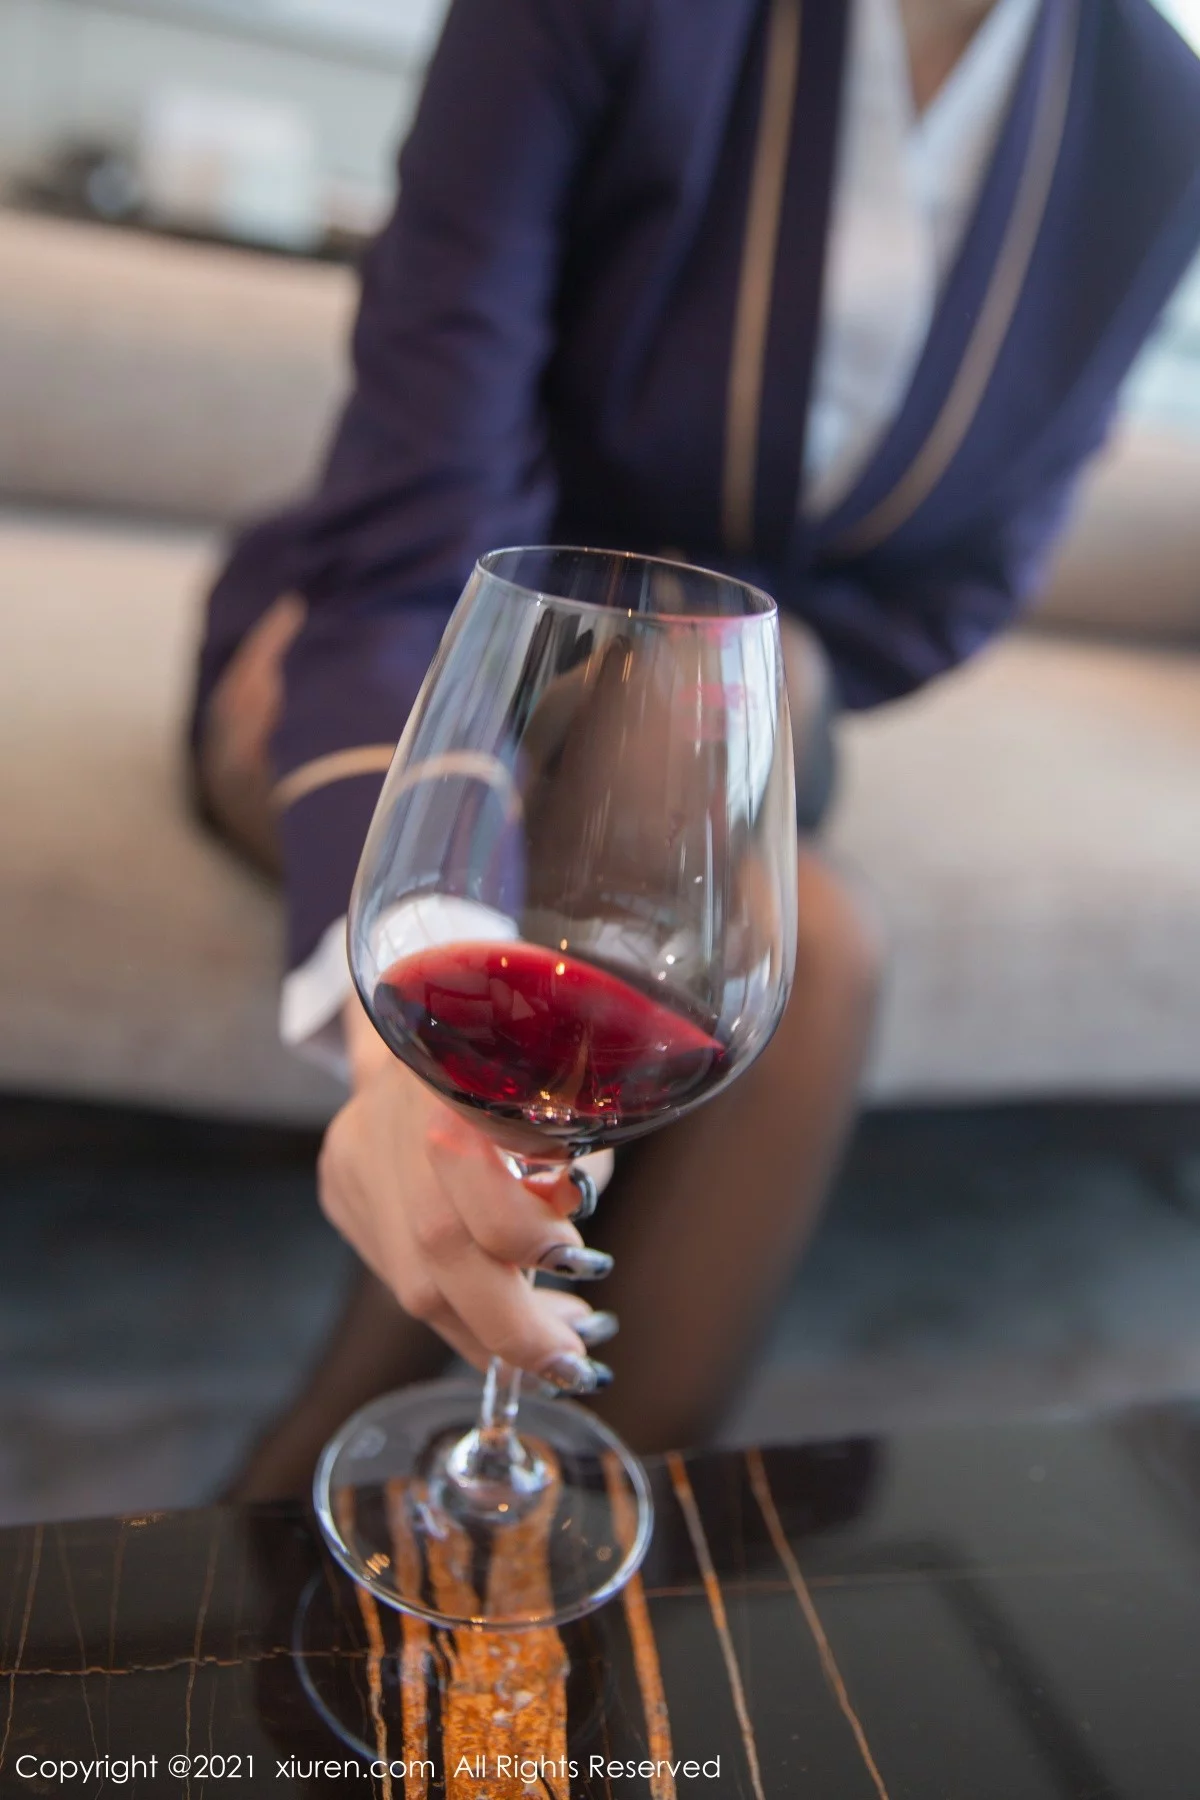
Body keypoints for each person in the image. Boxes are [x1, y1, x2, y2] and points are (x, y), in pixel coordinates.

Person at [193, 0, 1200, 1497]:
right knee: (820, 952)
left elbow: (965, 580)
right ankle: (551, 1511)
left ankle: (353, 1489)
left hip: (747, 712)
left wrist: (723, 668)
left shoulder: (1155, 120)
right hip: (406, 643)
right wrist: (401, 1017)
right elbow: (419, 507)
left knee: (691, 718)